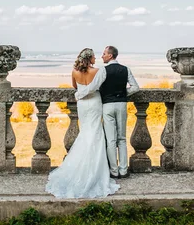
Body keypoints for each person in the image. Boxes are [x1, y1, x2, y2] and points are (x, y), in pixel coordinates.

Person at [45, 48, 120, 198]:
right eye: (93, 56)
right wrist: (83, 92)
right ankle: (94, 170)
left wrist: (79, 94)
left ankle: (79, 167)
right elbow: (96, 88)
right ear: (89, 58)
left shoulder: (74, 71)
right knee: (95, 133)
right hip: (94, 103)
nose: (95, 58)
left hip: (83, 105)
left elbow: (75, 86)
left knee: (86, 132)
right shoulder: (99, 71)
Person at [75, 45, 139, 179]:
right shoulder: (125, 69)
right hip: (121, 104)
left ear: (110, 55)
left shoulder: (103, 70)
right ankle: (123, 170)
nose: (102, 56)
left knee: (111, 140)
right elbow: (135, 87)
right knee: (122, 138)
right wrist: (122, 93)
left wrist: (79, 94)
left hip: (108, 106)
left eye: (104, 54)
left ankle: (114, 171)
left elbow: (93, 87)